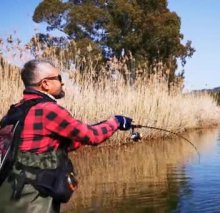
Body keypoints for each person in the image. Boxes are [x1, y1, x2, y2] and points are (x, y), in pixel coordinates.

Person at [0, 59, 132, 212]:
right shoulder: (48, 110)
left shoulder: (15, 110)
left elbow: (45, 147)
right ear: (45, 84)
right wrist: (116, 121)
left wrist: (78, 139)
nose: (62, 83)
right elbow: (93, 136)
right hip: (32, 198)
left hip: (9, 192)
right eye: (59, 78)